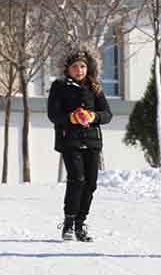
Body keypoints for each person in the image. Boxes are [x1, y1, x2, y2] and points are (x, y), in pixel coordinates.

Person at [47, 46, 113, 242]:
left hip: (92, 141)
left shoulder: (95, 87)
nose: (79, 70)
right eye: (75, 66)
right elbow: (53, 114)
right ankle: (68, 222)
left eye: (83, 66)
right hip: (70, 140)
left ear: (88, 67)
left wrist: (93, 116)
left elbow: (107, 114)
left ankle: (80, 224)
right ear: (67, 69)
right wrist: (72, 118)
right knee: (77, 179)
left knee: (90, 184)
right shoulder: (59, 86)